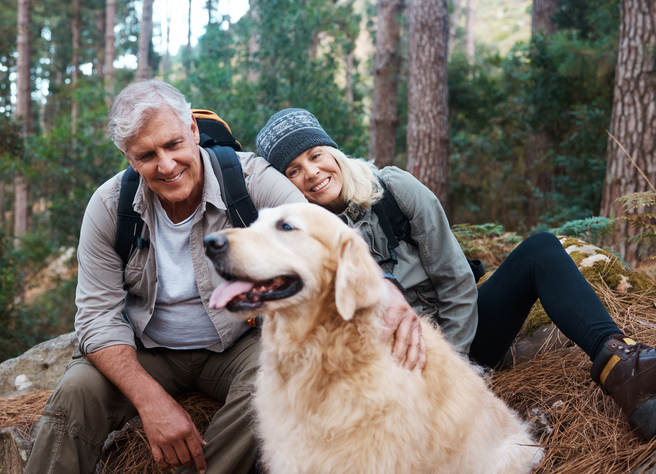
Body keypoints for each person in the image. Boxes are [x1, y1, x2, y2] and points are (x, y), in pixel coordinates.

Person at [25, 81, 422, 474]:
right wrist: (152, 401)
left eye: (174, 144)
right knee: (79, 390)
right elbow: (97, 318)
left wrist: (386, 287)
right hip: (148, 349)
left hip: (239, 343)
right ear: (129, 158)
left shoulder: (249, 180)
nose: (166, 165)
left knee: (279, 378)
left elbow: (324, 237)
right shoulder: (109, 207)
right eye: (147, 155)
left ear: (193, 131)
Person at [256, 107, 656, 441]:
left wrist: (461, 367)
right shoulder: (305, 242)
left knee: (540, 250)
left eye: (315, 155)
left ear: (334, 151)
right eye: (293, 170)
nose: (311, 172)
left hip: (462, 337)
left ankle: (621, 364)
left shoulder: (393, 189)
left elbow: (455, 279)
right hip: (397, 368)